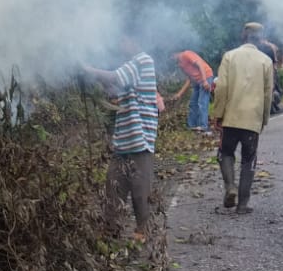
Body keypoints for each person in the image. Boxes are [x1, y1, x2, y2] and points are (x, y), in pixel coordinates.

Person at [83, 36, 164, 243]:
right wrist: (95, 79)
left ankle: (143, 230)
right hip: (124, 141)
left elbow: (115, 78)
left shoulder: (143, 61)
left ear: (133, 40)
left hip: (140, 139)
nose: (120, 46)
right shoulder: (131, 66)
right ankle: (111, 230)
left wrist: (89, 70)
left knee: (140, 190)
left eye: (123, 41)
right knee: (113, 184)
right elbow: (114, 91)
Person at [211, 21, 273, 215]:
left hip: (231, 116)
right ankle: (243, 204)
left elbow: (221, 88)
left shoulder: (230, 56)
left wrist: (217, 114)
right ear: (260, 39)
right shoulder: (266, 61)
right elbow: (268, 93)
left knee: (225, 153)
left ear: (243, 36)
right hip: (252, 120)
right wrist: (263, 119)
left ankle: (230, 187)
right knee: (249, 160)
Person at [171, 49, 215, 131]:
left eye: (171, 56)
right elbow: (189, 79)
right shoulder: (181, 64)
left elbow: (200, 64)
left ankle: (203, 127)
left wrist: (205, 81)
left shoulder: (186, 54)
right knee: (193, 103)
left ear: (175, 53)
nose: (171, 59)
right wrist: (179, 94)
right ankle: (191, 127)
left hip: (206, 76)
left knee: (202, 102)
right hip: (197, 81)